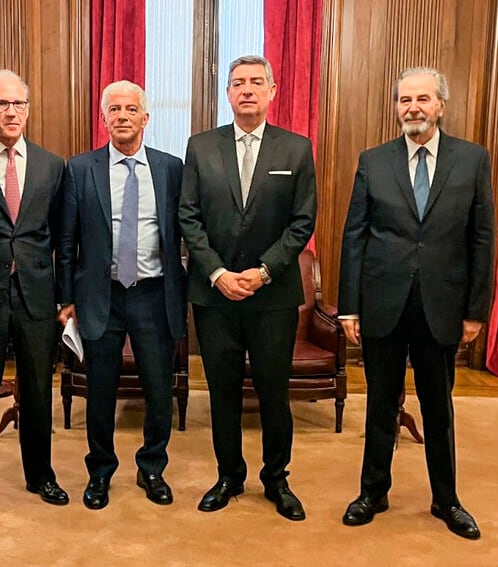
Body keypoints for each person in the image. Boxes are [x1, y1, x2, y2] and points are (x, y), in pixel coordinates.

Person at [338, 66, 494, 539]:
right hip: (383, 302)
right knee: (380, 404)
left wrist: (475, 310)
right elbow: (355, 238)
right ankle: (372, 492)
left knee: (437, 406)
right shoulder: (374, 160)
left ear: (441, 105)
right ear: (396, 107)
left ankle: (446, 500)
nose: (414, 108)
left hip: (442, 305)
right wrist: (349, 307)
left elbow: (482, 239)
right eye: (405, 100)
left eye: (423, 99)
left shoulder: (472, 160)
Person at [179, 55, 316, 522]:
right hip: (214, 295)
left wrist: (263, 272)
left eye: (257, 82)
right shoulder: (200, 147)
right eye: (239, 83)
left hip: (272, 295)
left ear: (273, 91)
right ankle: (228, 475)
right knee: (222, 391)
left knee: (274, 391)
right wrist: (218, 273)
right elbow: (188, 218)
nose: (248, 90)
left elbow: (302, 223)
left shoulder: (296, 149)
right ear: (229, 94)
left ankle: (276, 479)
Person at [56, 80, 186, 510]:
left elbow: (184, 231)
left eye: (132, 109)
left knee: (157, 388)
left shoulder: (171, 168)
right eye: (115, 109)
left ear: (145, 119)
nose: (123, 116)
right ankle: (100, 471)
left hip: (154, 293)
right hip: (100, 295)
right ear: (104, 118)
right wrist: (65, 297)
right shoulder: (80, 169)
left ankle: (152, 467)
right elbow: (67, 239)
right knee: (101, 390)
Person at [0, 69, 69, 516]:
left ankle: (41, 475)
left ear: (28, 109)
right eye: (0, 104)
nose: (10, 112)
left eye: (17, 103)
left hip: (37, 296)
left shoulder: (51, 165)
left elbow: (63, 237)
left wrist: (65, 297)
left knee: (38, 388)